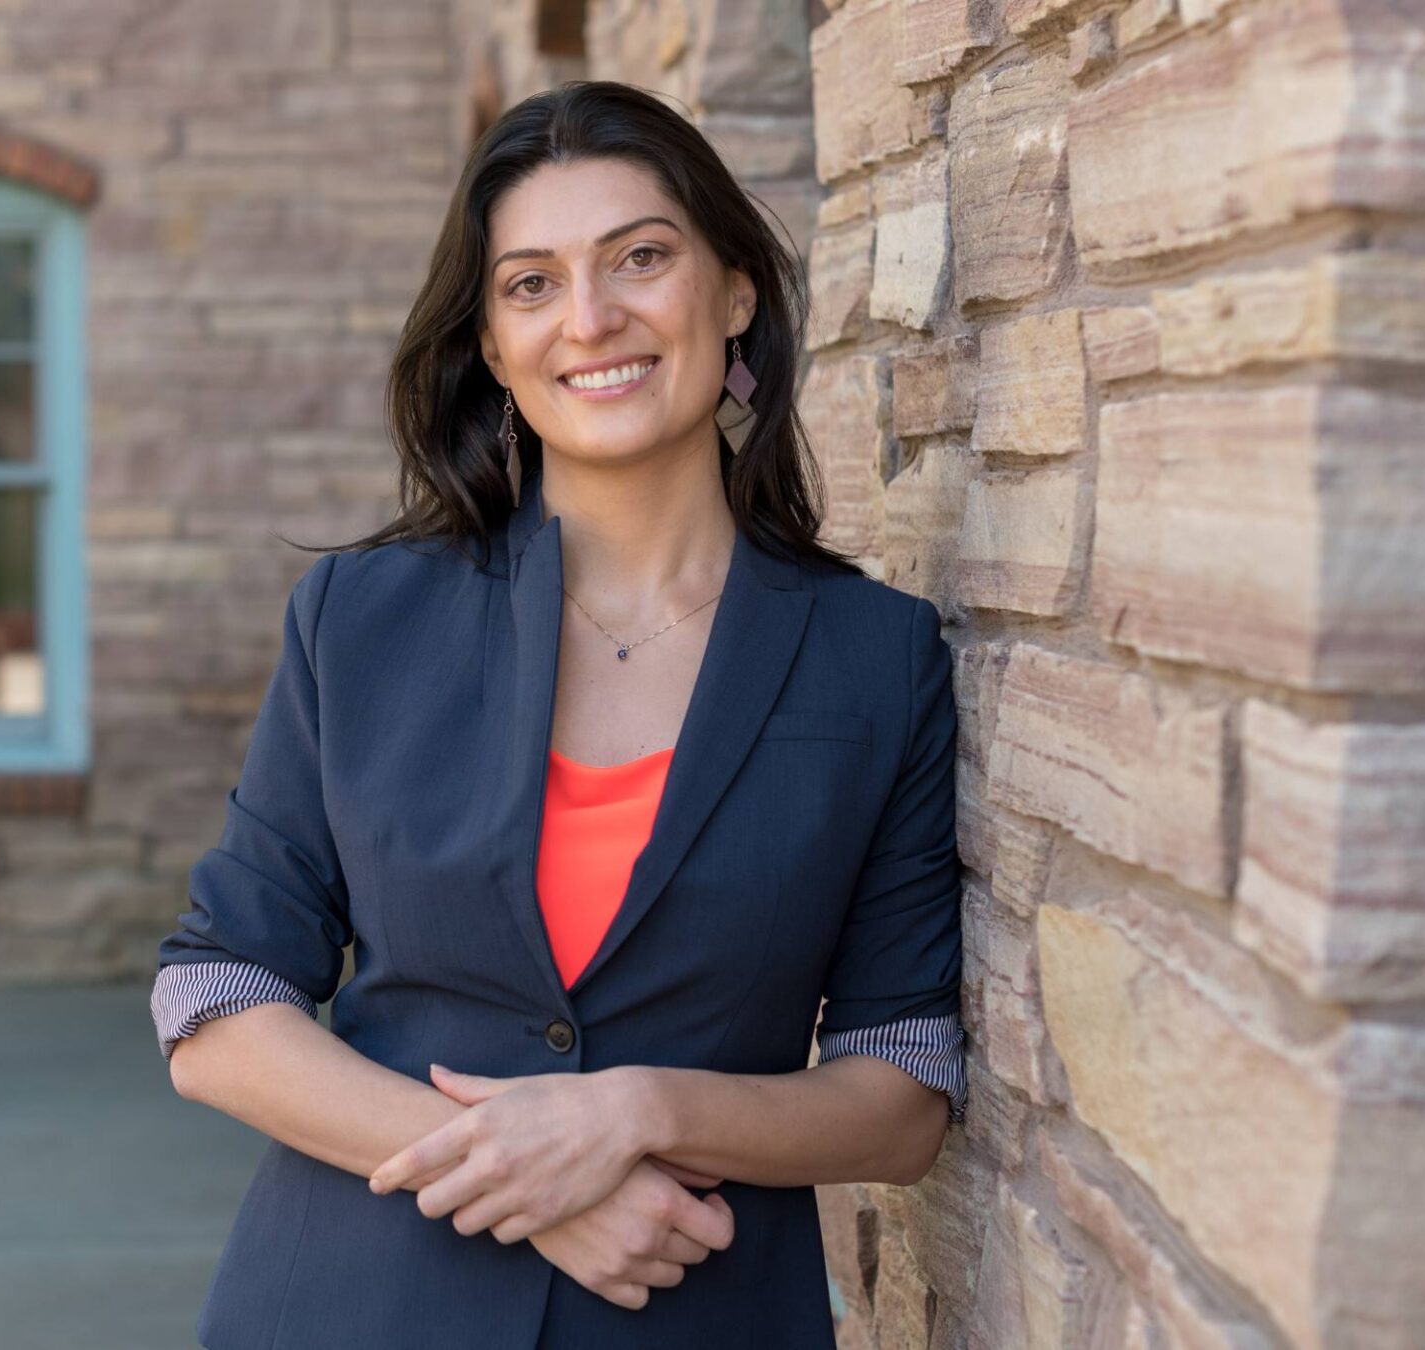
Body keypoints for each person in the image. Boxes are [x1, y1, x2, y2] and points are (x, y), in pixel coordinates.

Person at [150, 80, 967, 1349]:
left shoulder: (878, 657)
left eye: (640, 257)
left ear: (735, 289)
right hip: (350, 1304)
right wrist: (525, 1180)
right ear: (489, 343)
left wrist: (637, 1111)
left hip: (692, 1314)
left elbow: (904, 1090)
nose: (592, 319)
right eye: (531, 284)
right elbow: (217, 996)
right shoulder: (359, 620)